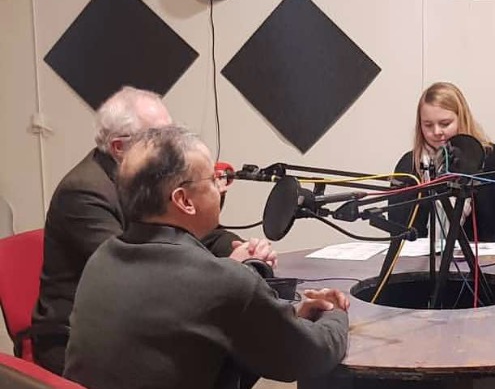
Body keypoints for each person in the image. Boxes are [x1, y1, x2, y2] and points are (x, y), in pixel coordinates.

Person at [64, 125, 349, 389]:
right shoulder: (221, 281)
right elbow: (309, 356)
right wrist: (335, 314)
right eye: (213, 179)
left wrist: (289, 319)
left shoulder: (102, 259)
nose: (221, 187)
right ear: (184, 200)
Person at [31, 87, 277, 374]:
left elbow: (193, 234)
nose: (172, 145)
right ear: (119, 148)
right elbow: (135, 274)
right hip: (80, 339)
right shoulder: (84, 192)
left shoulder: (150, 181)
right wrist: (226, 272)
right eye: (158, 137)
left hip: (137, 318)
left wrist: (240, 250)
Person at [388, 82, 495, 243]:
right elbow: (398, 230)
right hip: (422, 257)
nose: (437, 132)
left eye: (445, 124)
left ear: (462, 119)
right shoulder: (408, 166)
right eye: (428, 125)